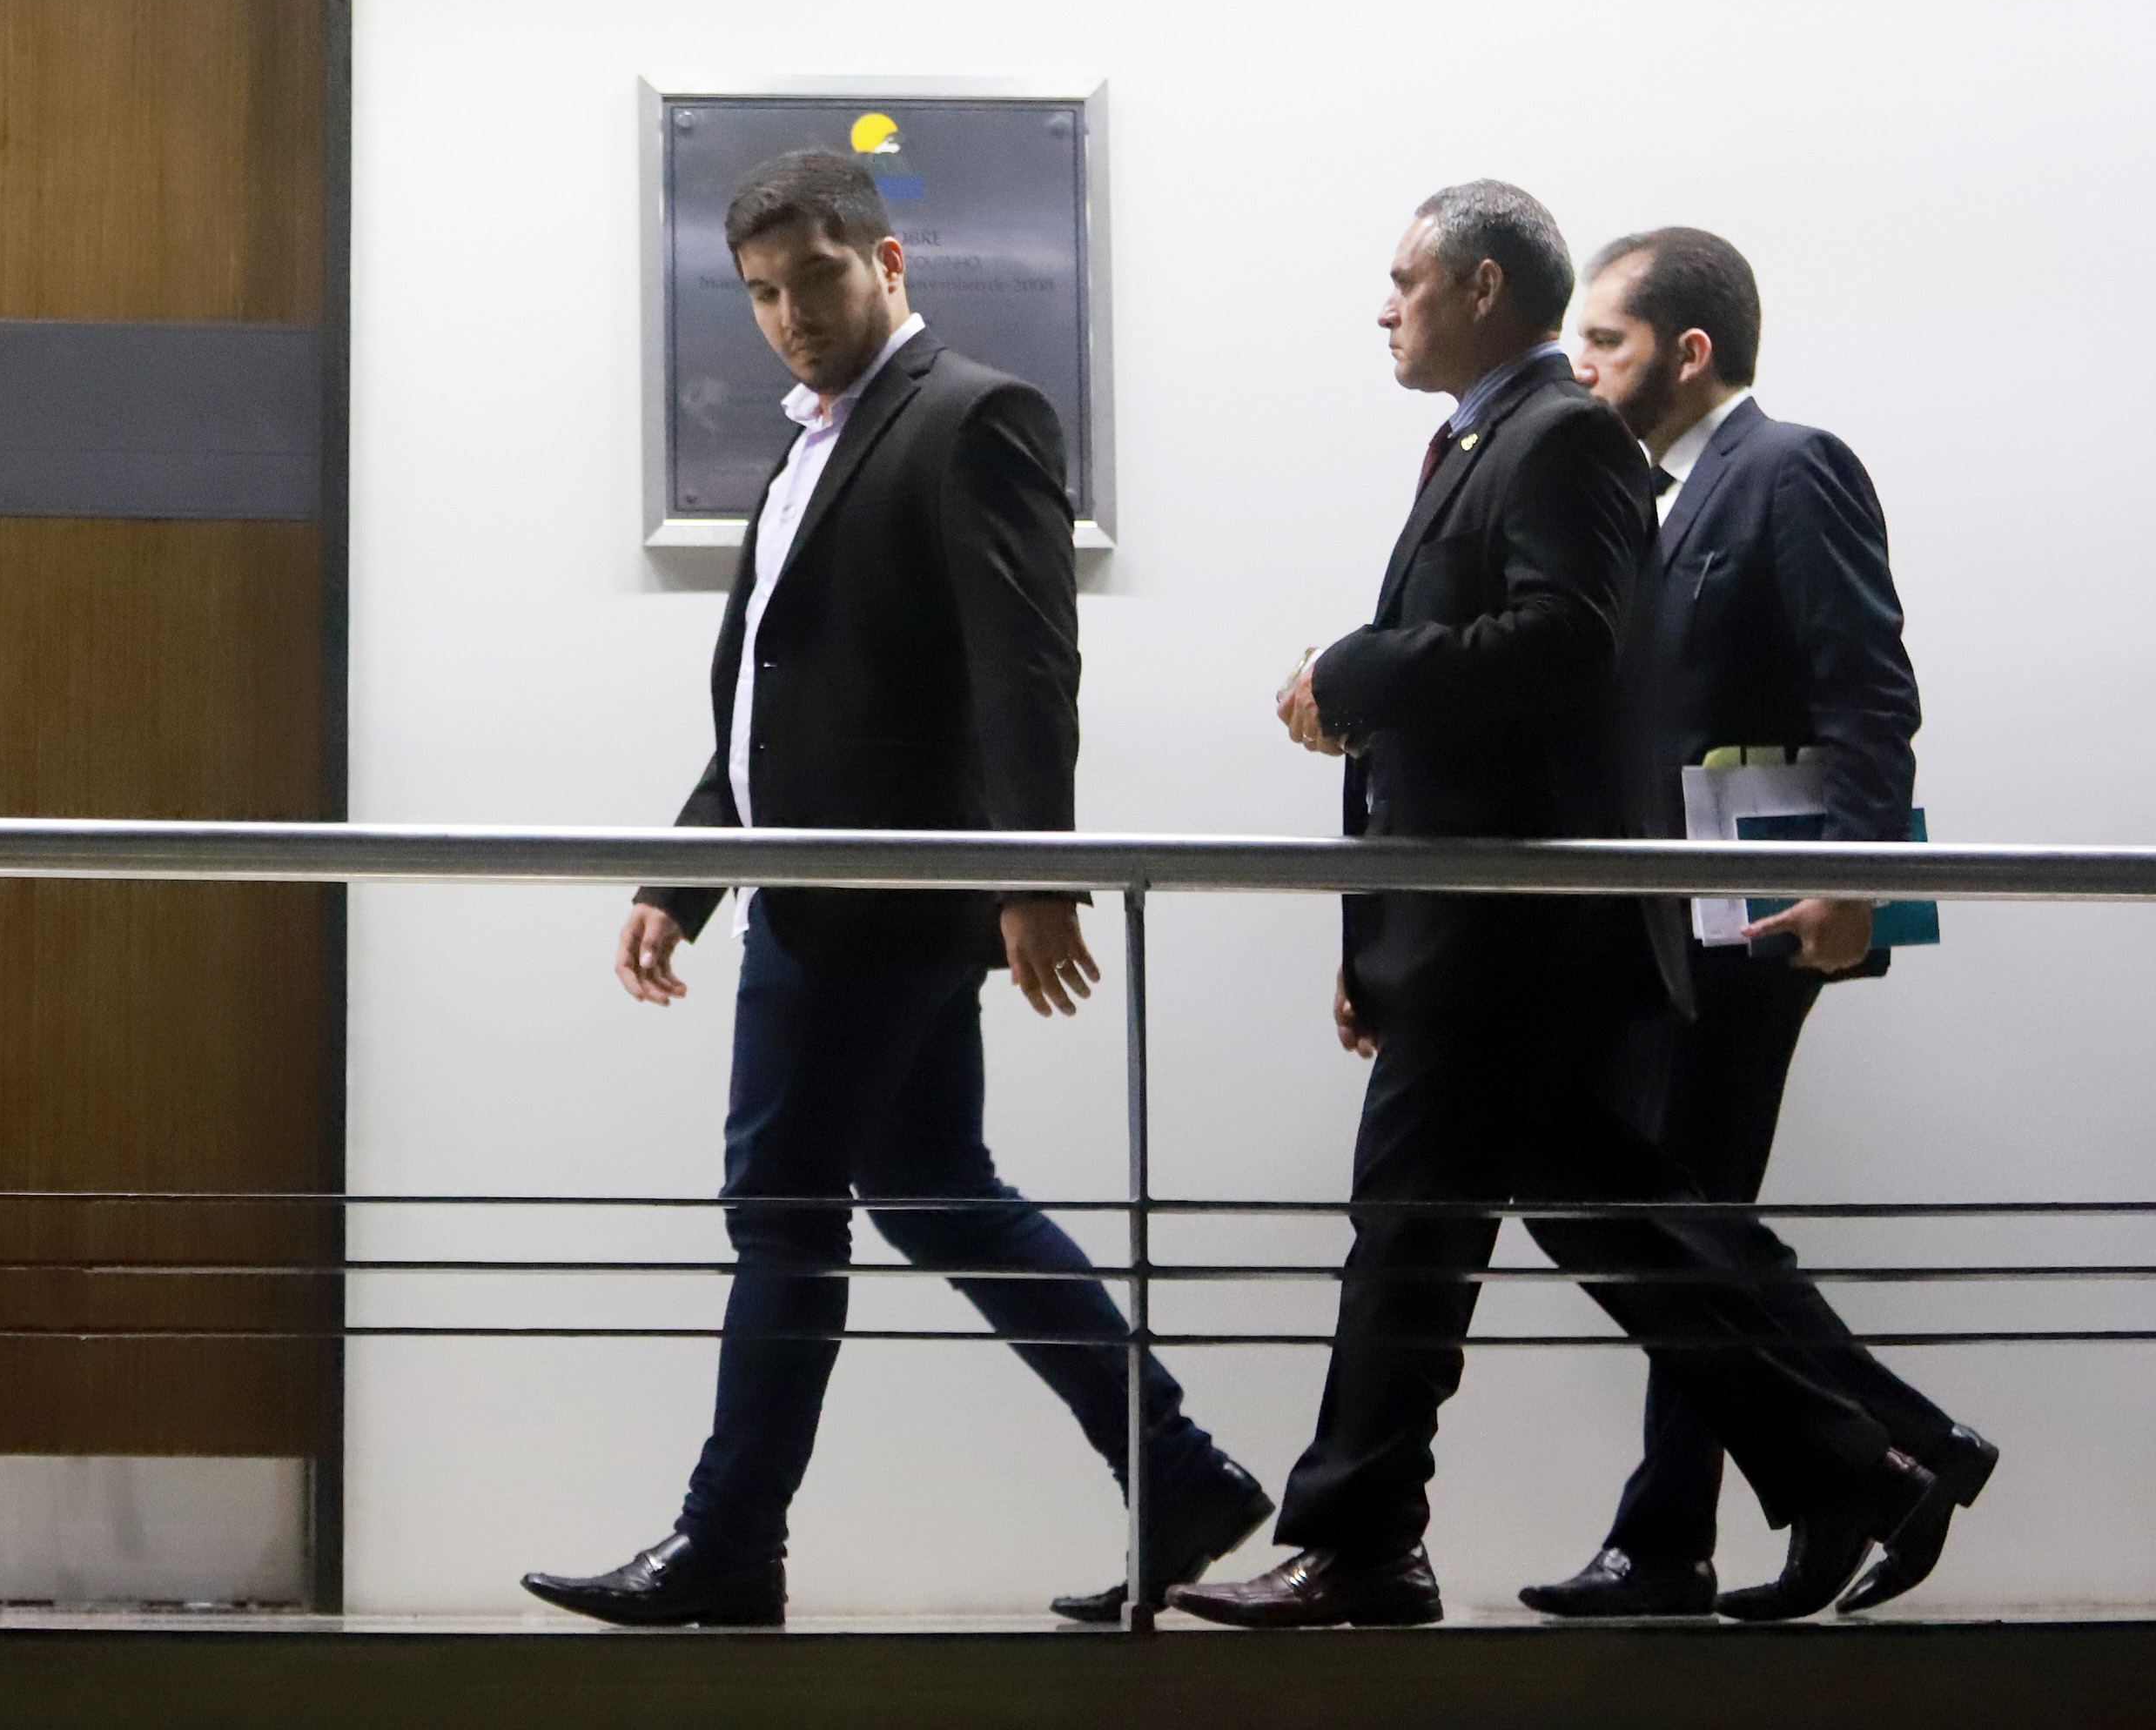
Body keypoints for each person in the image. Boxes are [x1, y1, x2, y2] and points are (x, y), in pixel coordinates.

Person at [1173, 181, 1963, 1631]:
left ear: (1481, 287)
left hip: (1520, 928)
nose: (1384, 308)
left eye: (1406, 280)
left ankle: (1364, 1542)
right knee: (1612, 1218)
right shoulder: (1505, 439)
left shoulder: (1565, 438)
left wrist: (1356, 671)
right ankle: (1864, 1462)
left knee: (1424, 1228)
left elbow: (1568, 644)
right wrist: (1372, 928)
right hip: (1472, 924)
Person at [520, 149, 1268, 1631]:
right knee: (939, 1194)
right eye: (761, 293)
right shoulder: (816, 441)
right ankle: (1178, 1471)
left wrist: (1034, 877)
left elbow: (1025, 668)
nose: (790, 315)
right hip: (809, 886)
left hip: (875, 901)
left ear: (888, 261)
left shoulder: (971, 415)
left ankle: (728, 1545)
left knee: (781, 1207)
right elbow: (778, 701)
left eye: (815, 279)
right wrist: (689, 874)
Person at [1514, 226, 1993, 1620]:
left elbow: (1868, 685)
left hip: (1767, 905)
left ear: (1689, 349)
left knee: (1677, 1218)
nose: (1582, 367)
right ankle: (1865, 1461)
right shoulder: (1650, 494)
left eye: (1603, 342)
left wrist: (1853, 881)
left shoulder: (1788, 466)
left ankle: (1801, 1485)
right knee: (1691, 1221)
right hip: (1673, 911)